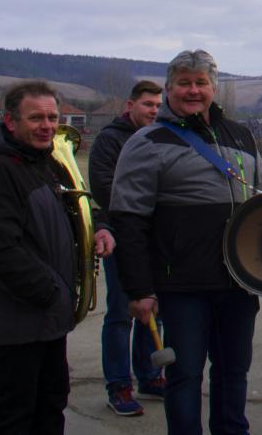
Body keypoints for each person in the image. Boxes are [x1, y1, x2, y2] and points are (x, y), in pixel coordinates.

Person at [110, 50, 262, 435]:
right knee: (184, 377)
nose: (193, 90)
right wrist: (139, 289)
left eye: (201, 82)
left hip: (239, 281)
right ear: (168, 89)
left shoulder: (241, 135)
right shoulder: (147, 141)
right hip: (182, 286)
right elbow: (128, 220)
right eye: (184, 83)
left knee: (234, 371)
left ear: (213, 88)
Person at [0, 80, 115, 434]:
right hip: (21, 317)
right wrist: (52, 294)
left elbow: (78, 206)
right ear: (10, 121)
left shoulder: (45, 162)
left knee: (50, 403)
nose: (47, 126)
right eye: (36, 118)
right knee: (15, 414)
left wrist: (99, 227)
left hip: (47, 316)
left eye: (52, 117)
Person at [88, 79, 165, 416]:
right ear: (130, 105)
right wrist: (139, 215)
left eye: (158, 105)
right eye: (148, 104)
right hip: (122, 237)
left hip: (156, 240)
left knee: (154, 310)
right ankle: (119, 385)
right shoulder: (109, 140)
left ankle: (150, 375)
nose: (154, 111)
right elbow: (103, 187)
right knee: (121, 314)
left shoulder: (160, 137)